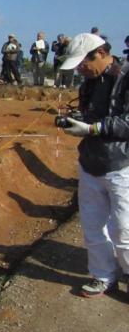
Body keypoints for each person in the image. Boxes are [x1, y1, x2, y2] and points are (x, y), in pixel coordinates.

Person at [58, 33, 129, 297]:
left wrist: (92, 128)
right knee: (92, 225)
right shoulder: (88, 83)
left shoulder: (125, 76)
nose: (80, 68)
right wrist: (76, 121)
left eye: (82, 63)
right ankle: (102, 274)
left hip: (121, 164)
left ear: (99, 53)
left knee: (124, 227)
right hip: (89, 162)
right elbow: (89, 115)